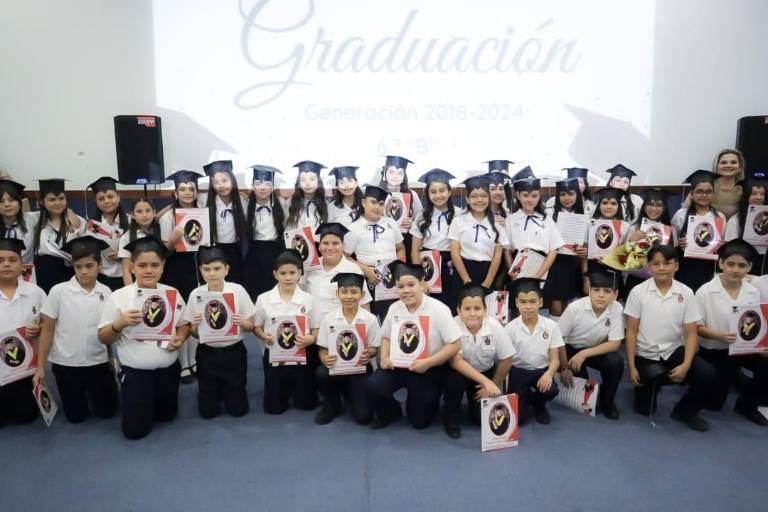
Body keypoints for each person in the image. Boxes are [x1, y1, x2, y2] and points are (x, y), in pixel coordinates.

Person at [97, 236, 191, 439]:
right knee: (134, 432)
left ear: (163, 267)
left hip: (168, 371)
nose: (149, 270)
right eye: (142, 265)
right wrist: (119, 324)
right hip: (137, 374)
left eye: (154, 265)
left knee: (167, 417)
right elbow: (103, 338)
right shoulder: (119, 296)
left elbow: (184, 325)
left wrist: (181, 338)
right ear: (132, 267)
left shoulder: (172, 293)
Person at [624, 245, 717, 431]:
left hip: (673, 350)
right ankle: (651, 382)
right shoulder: (638, 292)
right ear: (649, 266)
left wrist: (686, 365)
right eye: (656, 263)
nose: (661, 268)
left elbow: (691, 332)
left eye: (667, 263)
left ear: (676, 266)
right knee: (644, 409)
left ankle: (685, 410)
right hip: (646, 353)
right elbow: (631, 331)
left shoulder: (686, 292)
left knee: (708, 375)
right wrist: (632, 366)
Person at [367, 261, 463, 430]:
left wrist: (428, 362)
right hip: (398, 365)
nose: (405, 291)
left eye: (411, 285)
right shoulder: (395, 308)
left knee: (419, 421)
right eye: (400, 286)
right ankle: (391, 411)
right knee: (373, 384)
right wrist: (383, 357)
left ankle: (427, 401)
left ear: (422, 284)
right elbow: (386, 337)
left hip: (427, 368)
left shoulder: (439, 309)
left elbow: (455, 344)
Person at [34, 236, 118, 423]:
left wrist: (110, 356)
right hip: (66, 364)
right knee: (76, 417)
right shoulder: (58, 291)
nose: (83, 271)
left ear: (99, 266)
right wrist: (40, 367)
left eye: (89, 266)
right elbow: (47, 330)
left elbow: (107, 329)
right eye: (78, 267)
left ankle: (99, 393)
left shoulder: (106, 292)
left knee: (108, 412)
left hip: (97, 361)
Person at [694, 238, 768, 426]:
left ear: (750, 267)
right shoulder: (705, 291)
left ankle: (746, 405)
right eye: (731, 264)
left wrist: (762, 344)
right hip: (715, 349)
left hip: (744, 348)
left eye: (742, 265)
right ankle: (733, 379)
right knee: (714, 404)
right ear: (721, 264)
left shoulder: (752, 291)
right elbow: (695, 326)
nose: (736, 270)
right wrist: (717, 335)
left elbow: (756, 322)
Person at [185, 245, 255, 419]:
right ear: (201, 270)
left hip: (234, 350)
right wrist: (195, 325)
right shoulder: (196, 294)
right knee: (208, 412)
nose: (212, 273)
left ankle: (232, 392)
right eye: (207, 269)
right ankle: (213, 394)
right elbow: (193, 333)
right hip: (207, 353)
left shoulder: (237, 291)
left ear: (226, 269)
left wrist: (243, 322)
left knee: (238, 410)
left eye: (217, 268)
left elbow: (251, 326)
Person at [443, 283, 514, 438]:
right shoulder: (452, 325)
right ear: (458, 311)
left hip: (485, 372)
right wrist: (487, 382)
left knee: (480, 420)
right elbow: (456, 361)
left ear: (486, 310)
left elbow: (507, 359)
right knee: (453, 382)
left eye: (477, 308)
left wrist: (493, 383)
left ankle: (473, 404)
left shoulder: (495, 327)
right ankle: (452, 416)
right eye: (467, 309)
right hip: (459, 372)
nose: (473, 313)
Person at [253, 249, 319, 414]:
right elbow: (256, 326)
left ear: (300, 274)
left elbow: (316, 328)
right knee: (273, 408)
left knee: (307, 404)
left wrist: (311, 339)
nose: (288, 277)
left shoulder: (309, 300)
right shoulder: (263, 299)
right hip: (275, 356)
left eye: (292, 272)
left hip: (302, 355)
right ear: (275, 274)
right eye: (283, 273)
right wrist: (263, 336)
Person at [557, 269, 625, 419]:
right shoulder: (575, 308)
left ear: (615, 295)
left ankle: (608, 402)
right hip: (569, 350)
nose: (601, 295)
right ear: (589, 291)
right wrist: (564, 367)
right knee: (582, 393)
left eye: (607, 291)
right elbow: (557, 340)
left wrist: (584, 354)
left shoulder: (616, 308)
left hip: (594, 349)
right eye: (596, 290)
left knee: (616, 362)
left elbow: (614, 344)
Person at [314, 272, 380, 425]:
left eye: (354, 292)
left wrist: (369, 352)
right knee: (322, 372)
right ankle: (331, 404)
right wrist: (324, 357)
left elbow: (374, 348)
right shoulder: (328, 318)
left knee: (364, 417)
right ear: (337, 294)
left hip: (359, 368)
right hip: (336, 367)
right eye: (344, 292)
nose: (349, 296)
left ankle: (351, 393)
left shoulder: (369, 319)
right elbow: (322, 348)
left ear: (362, 294)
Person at [159, 170, 205, 383]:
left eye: (191, 189)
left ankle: (194, 360)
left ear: (196, 192)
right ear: (176, 192)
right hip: (176, 267)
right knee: (180, 316)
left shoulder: (202, 213)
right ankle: (183, 363)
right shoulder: (168, 217)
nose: (187, 192)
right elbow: (163, 252)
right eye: (183, 189)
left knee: (196, 313)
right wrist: (173, 238)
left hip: (198, 265)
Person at [0, 238, 45, 427]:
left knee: (26, 417)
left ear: (22, 264)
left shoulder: (36, 292)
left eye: (12, 259)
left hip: (24, 367)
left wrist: (39, 329)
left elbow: (49, 327)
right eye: (0, 261)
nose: (6, 264)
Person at [504, 278, 562, 425]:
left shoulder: (551, 326)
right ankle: (525, 396)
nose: (528, 306)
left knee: (551, 389)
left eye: (532, 301)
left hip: (541, 371)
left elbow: (555, 359)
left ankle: (539, 404)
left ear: (541, 302)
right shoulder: (510, 329)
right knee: (519, 421)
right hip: (519, 371)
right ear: (516, 303)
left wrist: (549, 374)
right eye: (523, 302)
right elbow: (505, 360)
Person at [344, 184, 405, 319]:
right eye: (373, 202)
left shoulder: (391, 223)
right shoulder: (353, 228)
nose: (377, 207)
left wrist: (399, 270)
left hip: (391, 280)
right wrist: (365, 269)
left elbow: (400, 248)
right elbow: (345, 256)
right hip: (369, 279)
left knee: (393, 318)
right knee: (370, 319)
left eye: (381, 204)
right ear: (364, 202)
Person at [410, 169, 461, 310]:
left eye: (442, 190)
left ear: (449, 192)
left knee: (451, 307)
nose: (438, 195)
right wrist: (420, 279)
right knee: (431, 308)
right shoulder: (421, 217)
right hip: (429, 266)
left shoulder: (460, 214)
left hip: (452, 264)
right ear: (428, 194)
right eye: (433, 192)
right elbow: (414, 251)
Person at [672, 170, 727, 293]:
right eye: (699, 192)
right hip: (685, 265)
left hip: (707, 266)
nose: (704, 195)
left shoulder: (719, 217)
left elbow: (721, 242)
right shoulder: (681, 215)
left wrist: (721, 244)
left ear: (713, 194)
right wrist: (679, 245)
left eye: (708, 192)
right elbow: (673, 242)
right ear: (691, 194)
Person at [449, 175, 507, 289]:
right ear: (467, 199)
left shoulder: (497, 223)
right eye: (474, 196)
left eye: (484, 196)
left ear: (489, 198)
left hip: (489, 273)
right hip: (463, 272)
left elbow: (497, 256)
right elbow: (455, 253)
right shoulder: (458, 221)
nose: (479, 200)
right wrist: (467, 281)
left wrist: (487, 283)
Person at [543, 178, 588, 317]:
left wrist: (585, 253)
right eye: (562, 194)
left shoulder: (584, 217)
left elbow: (585, 246)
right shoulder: (548, 215)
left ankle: (565, 338)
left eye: (571, 194)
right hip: (553, 265)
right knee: (555, 308)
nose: (566, 198)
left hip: (573, 265)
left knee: (569, 310)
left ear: (578, 195)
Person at [33, 179, 86, 294]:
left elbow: (89, 244)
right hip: (45, 274)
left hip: (71, 272)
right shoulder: (35, 220)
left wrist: (68, 211)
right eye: (52, 199)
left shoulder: (77, 220)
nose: (58, 203)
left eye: (61, 198)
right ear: (42, 202)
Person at [244, 164, 286, 301]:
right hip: (253, 253)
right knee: (254, 289)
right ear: (252, 185)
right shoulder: (245, 205)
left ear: (273, 186)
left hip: (275, 252)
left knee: (273, 291)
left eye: (267, 184)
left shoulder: (282, 205)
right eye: (258, 183)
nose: (262, 187)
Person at [203, 160, 248, 285]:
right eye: (216, 182)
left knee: (235, 285)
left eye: (224, 180)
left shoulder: (242, 202)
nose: (221, 186)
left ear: (232, 180)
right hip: (215, 250)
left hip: (235, 251)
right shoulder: (205, 203)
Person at [86, 176, 130, 291]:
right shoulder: (92, 226)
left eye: (110, 196)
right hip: (101, 277)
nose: (106, 201)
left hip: (127, 276)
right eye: (101, 198)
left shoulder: (132, 221)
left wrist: (123, 254)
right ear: (96, 202)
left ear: (118, 197)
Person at [724, 170, 767, 274]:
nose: (758, 197)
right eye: (753, 194)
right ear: (746, 196)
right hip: (743, 263)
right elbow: (730, 246)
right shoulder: (736, 219)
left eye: (762, 194)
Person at [379, 155, 423, 256]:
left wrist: (413, 223)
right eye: (391, 172)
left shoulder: (412, 195)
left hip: (405, 241)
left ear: (404, 177)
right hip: (382, 240)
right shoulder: (377, 194)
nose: (395, 176)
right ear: (385, 175)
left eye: (400, 173)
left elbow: (421, 219)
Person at [118, 197, 162, 286]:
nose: (144, 215)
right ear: (132, 215)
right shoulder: (127, 237)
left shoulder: (162, 231)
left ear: (154, 213)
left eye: (148, 210)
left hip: (162, 282)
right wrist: (131, 292)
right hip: (138, 284)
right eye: (139, 211)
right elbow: (126, 270)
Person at [284, 160, 328, 235]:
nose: (308, 183)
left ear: (318, 181)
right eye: (303, 180)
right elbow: (286, 228)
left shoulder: (326, 204)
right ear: (299, 183)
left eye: (312, 179)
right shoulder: (289, 202)